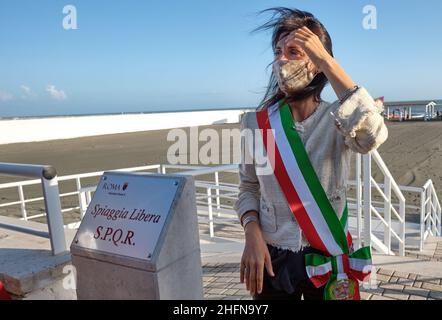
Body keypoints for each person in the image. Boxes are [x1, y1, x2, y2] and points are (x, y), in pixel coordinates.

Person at [234, 8, 388, 300]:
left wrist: (327, 61)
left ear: (316, 63)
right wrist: (251, 233)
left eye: (294, 51)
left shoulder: (339, 119)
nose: (281, 59)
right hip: (273, 258)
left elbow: (372, 136)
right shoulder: (256, 123)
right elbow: (248, 187)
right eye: (278, 51)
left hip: (327, 254)